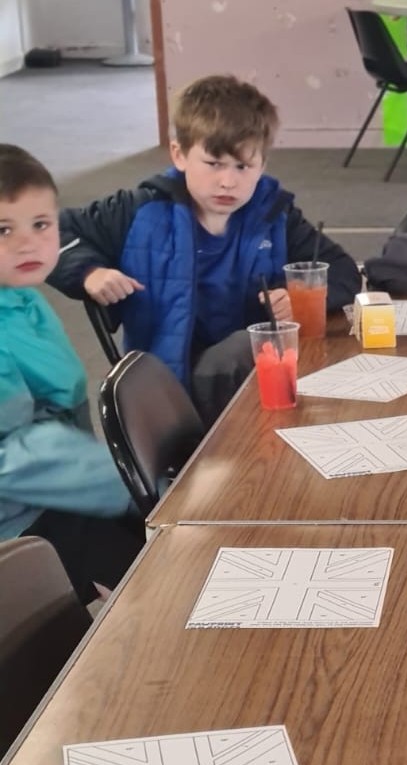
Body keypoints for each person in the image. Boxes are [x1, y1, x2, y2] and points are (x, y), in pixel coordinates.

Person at [48, 74, 361, 426]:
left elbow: (344, 270)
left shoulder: (274, 214)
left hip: (258, 379)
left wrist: (302, 294)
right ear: (179, 155)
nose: (228, 181)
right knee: (242, 351)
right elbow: (48, 231)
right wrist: (90, 271)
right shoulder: (137, 210)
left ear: (263, 166)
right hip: (170, 386)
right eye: (213, 164)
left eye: (244, 167)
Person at [0, 144, 144, 604]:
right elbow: (16, 453)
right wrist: (135, 484)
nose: (27, 243)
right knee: (162, 576)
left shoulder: (20, 295)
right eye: (3, 229)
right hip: (20, 528)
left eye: (41, 224)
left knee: (164, 552)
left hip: (57, 492)